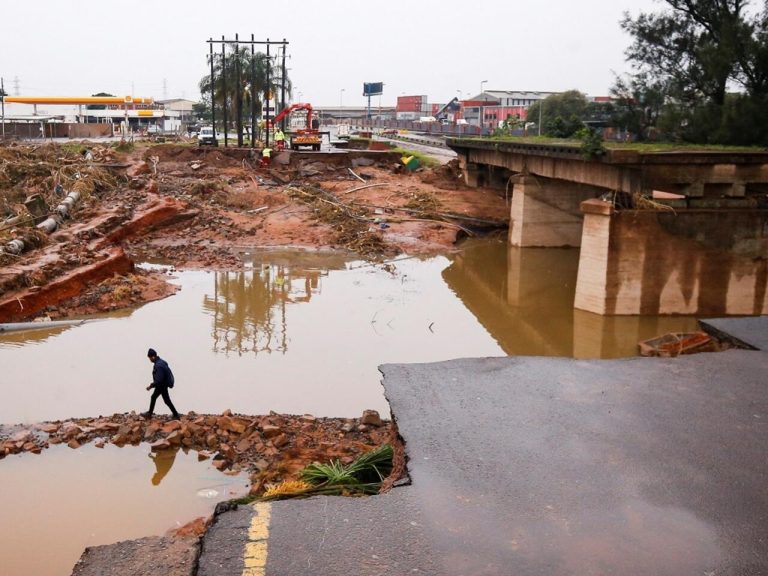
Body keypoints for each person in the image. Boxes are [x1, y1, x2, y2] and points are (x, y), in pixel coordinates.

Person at [142, 348, 180, 420]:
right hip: (164, 384)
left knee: (154, 397)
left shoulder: (158, 365)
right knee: (166, 400)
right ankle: (176, 415)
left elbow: (159, 379)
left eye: (150, 358)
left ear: (153, 356)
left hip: (162, 384)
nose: (149, 359)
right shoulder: (161, 362)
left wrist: (151, 386)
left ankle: (149, 414)